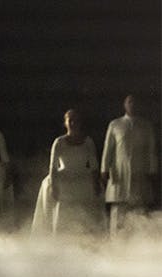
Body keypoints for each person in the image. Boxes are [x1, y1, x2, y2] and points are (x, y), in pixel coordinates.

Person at [101, 94, 159, 236]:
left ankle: (138, 242)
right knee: (118, 213)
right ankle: (116, 242)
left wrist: (153, 169)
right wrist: (104, 170)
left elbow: (151, 150)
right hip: (119, 173)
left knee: (139, 211)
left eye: (135, 102)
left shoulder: (146, 126)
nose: (132, 104)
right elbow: (108, 149)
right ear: (124, 105)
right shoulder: (115, 125)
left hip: (140, 172)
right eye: (129, 102)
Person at [48, 109, 101, 234]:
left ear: (80, 122)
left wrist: (96, 183)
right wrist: (54, 186)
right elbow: (53, 167)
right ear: (65, 123)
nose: (73, 123)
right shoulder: (59, 142)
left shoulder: (88, 142)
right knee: (65, 216)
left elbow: (94, 165)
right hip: (64, 182)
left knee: (86, 217)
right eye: (70, 120)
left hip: (84, 181)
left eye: (76, 120)